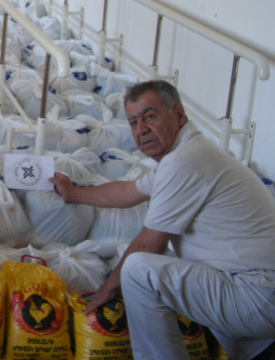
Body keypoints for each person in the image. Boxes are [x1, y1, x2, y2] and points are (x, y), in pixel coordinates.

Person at [50, 80, 275, 360]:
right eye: (133, 122)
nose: (141, 130)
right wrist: (73, 193)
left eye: (150, 116)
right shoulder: (184, 154)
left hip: (257, 293)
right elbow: (127, 192)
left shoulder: (185, 160)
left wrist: (106, 290)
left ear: (178, 114)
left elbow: (149, 246)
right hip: (252, 290)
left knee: (137, 270)